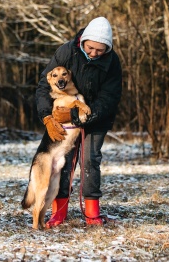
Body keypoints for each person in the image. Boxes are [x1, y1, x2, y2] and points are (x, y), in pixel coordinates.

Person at [35, 16, 122, 227]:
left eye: (100, 50)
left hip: (95, 117)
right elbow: (44, 86)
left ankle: (92, 213)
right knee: (64, 162)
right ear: (83, 40)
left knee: (90, 160)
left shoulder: (112, 63)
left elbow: (108, 99)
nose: (93, 53)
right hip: (64, 113)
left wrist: (78, 117)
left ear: (107, 49)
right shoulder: (67, 51)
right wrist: (47, 116)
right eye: (91, 47)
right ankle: (59, 211)